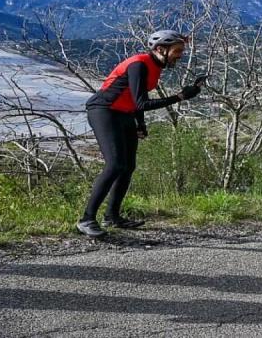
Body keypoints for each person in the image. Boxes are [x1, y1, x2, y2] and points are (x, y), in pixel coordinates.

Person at [77, 30, 204, 237]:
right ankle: (87, 219)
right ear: (160, 49)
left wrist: (140, 123)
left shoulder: (155, 66)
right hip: (104, 111)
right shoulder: (139, 64)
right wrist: (180, 96)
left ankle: (112, 217)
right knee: (115, 164)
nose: (180, 55)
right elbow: (142, 102)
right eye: (178, 51)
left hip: (124, 113)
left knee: (127, 167)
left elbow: (136, 100)